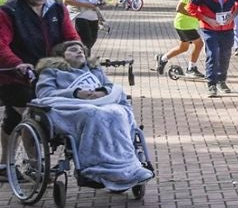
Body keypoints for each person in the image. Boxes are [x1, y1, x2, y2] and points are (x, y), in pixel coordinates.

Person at [32, 43, 152, 190]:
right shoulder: (51, 71)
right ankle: (95, 167)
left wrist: (102, 91)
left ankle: (127, 166)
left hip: (101, 104)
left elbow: (109, 86)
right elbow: (44, 94)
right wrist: (76, 93)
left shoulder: (94, 69)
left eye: (82, 50)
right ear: (62, 55)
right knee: (93, 114)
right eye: (73, 50)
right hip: (70, 107)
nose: (79, 52)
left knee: (118, 113)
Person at [0, 0, 81, 136]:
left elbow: (71, 36)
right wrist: (17, 64)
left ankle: (8, 160)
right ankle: (32, 160)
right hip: (17, 75)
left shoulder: (57, 9)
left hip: (50, 73)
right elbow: (1, 45)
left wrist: (78, 50)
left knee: (15, 119)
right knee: (31, 119)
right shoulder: (9, 11)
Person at [185, 0, 238, 97]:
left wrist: (233, 15)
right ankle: (211, 84)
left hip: (227, 27)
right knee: (213, 53)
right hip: (209, 28)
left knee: (225, 54)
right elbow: (190, 8)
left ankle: (221, 80)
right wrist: (207, 19)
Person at [160, 0, 209, 77]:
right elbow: (179, 8)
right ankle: (191, 69)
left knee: (184, 48)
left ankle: (163, 59)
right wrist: (194, 15)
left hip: (189, 24)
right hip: (183, 23)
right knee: (199, 44)